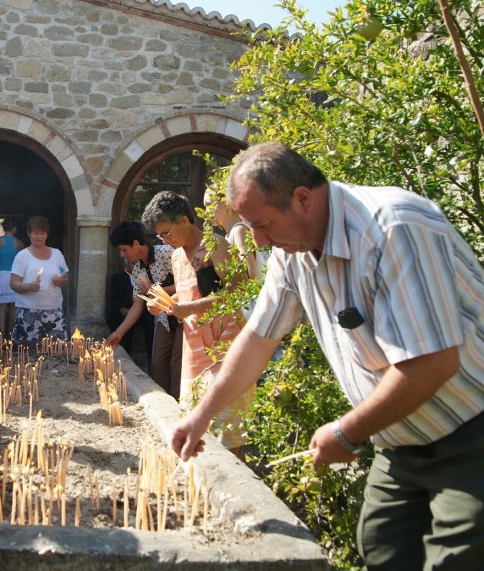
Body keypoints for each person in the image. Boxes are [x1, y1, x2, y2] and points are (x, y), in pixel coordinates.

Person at [172, 142, 484, 569]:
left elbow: (432, 362)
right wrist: (203, 413)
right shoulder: (291, 250)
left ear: (303, 198)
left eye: (262, 225)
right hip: (400, 441)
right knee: (382, 547)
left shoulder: (394, 228)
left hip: (471, 434)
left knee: (457, 560)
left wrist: (347, 430)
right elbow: (260, 338)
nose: (259, 242)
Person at [142, 191, 251, 458]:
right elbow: (188, 293)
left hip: (225, 345)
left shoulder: (216, 245)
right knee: (197, 422)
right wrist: (166, 302)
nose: (165, 240)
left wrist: (187, 308)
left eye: (166, 233)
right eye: (160, 237)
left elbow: (237, 293)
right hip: (194, 346)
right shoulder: (177, 256)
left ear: (184, 220)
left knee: (227, 427)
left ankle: (237, 484)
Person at [104, 221, 177, 392]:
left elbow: (188, 283)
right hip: (163, 320)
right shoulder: (136, 270)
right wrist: (118, 333)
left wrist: (157, 290)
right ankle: (162, 399)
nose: (123, 255)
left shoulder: (166, 252)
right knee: (157, 363)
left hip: (184, 316)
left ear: (136, 244)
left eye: (124, 249)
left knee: (177, 363)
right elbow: (137, 306)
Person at [10, 215, 69, 344]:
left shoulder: (57, 254)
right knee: (27, 353)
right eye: (36, 233)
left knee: (56, 352)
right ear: (29, 234)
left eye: (42, 233)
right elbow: (13, 283)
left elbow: (65, 277)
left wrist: (61, 280)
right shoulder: (22, 256)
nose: (39, 237)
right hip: (28, 312)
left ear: (47, 234)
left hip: (54, 312)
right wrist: (28, 286)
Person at [0, 218, 24, 337]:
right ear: (14, 228)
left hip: (0, 274)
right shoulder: (19, 243)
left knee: (1, 306)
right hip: (14, 275)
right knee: (13, 306)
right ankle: (10, 332)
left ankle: (2, 332)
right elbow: (22, 262)